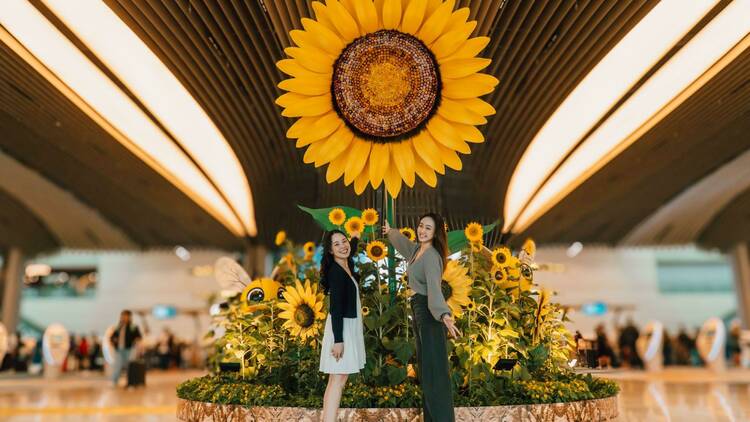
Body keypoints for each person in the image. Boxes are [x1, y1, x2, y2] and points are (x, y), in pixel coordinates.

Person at [385, 213, 460, 422]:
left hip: (430, 313)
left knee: (435, 375)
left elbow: (435, 289)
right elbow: (406, 246)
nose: (422, 230)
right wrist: (390, 232)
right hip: (419, 311)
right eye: (420, 226)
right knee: (427, 374)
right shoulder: (418, 251)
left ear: (435, 233)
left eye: (428, 228)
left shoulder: (431, 256)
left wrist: (444, 315)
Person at [319, 229, 365, 422]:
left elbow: (349, 250)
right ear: (330, 251)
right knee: (337, 380)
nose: (343, 246)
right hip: (342, 328)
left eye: (343, 241)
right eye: (336, 244)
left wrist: (354, 238)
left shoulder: (345, 264)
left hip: (348, 326)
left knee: (338, 379)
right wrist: (338, 340)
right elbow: (336, 308)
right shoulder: (336, 273)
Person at [109, 310, 142, 386]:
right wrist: (113, 340)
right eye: (123, 316)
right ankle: (114, 382)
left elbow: (139, 337)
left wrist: (136, 342)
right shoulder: (118, 327)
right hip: (119, 350)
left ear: (129, 317)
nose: (124, 317)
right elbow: (112, 337)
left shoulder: (133, 327)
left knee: (129, 367)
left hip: (129, 350)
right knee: (117, 366)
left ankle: (130, 382)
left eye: (126, 316)